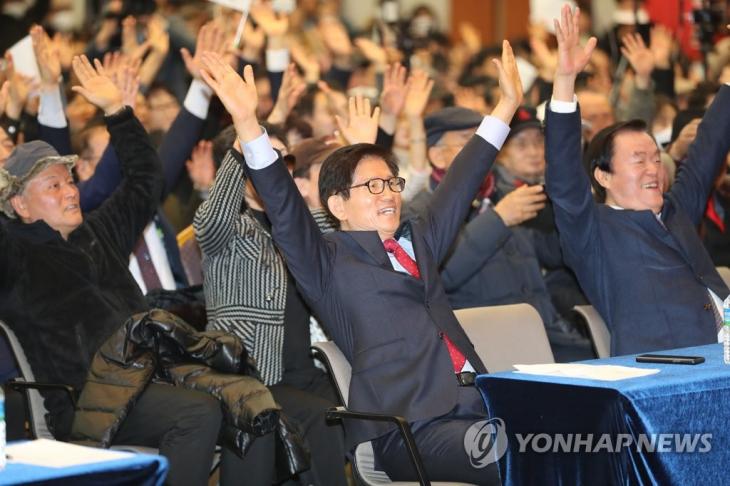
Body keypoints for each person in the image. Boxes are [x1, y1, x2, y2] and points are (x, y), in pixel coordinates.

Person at [197, 41, 523, 484]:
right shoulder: (327, 262)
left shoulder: (420, 240)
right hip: (410, 427)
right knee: (522, 458)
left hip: (482, 402)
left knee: (590, 436)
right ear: (337, 205)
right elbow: (284, 204)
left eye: (391, 182)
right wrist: (248, 122)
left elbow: (463, 180)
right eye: (371, 186)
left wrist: (506, 106)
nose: (387, 192)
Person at [0, 55, 277, 486]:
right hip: (87, 398)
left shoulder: (99, 231)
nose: (70, 191)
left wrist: (118, 112)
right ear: (18, 205)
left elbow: (146, 179)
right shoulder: (15, 256)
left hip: (150, 378)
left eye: (69, 181)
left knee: (252, 403)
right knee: (198, 412)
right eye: (52, 186)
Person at [545, 5, 730, 356]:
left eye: (657, 160)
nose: (653, 170)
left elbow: (710, 144)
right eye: (639, 160)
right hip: (669, 366)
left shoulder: (677, 209)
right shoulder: (592, 230)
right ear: (603, 175)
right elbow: (564, 178)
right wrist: (565, 81)